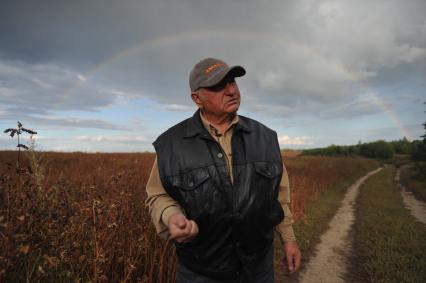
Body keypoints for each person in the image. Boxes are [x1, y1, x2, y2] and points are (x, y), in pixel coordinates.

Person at [145, 57, 301, 282]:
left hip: (258, 268)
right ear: (197, 99)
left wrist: (289, 239)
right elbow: (157, 195)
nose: (230, 91)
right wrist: (172, 217)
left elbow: (279, 196)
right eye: (218, 86)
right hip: (201, 272)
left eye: (232, 83)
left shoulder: (265, 138)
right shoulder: (171, 144)